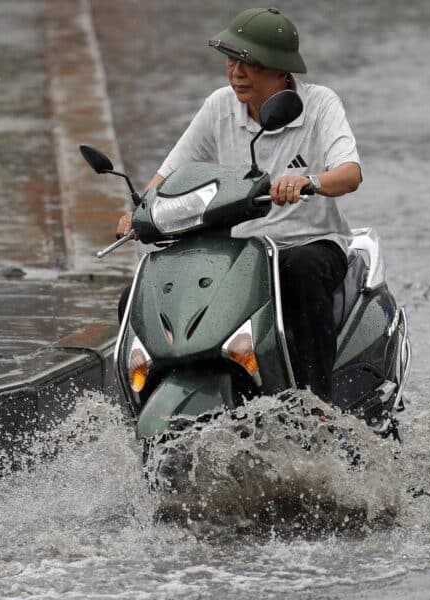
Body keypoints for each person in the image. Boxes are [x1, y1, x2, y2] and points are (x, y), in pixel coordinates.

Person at [116, 7, 362, 402]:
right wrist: (141, 211)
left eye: (249, 64)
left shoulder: (320, 104)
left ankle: (318, 404)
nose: (236, 73)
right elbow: (171, 171)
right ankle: (140, 399)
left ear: (281, 70)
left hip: (309, 243)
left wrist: (309, 180)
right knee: (136, 296)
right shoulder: (219, 106)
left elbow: (350, 173)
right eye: (231, 61)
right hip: (241, 252)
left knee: (301, 272)